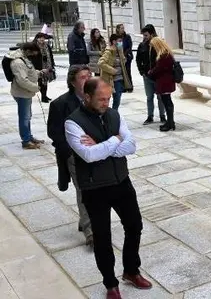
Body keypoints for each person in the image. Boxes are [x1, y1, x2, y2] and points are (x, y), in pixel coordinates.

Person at [64, 78, 152, 298]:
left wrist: (104, 146)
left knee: (134, 226)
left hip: (121, 181)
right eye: (101, 99)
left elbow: (131, 146)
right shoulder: (73, 123)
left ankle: (131, 271)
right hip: (95, 189)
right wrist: (115, 140)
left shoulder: (115, 114)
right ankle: (110, 284)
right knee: (102, 237)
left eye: (108, 98)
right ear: (87, 97)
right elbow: (89, 155)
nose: (106, 102)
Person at [48, 65, 93, 248]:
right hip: (75, 156)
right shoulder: (59, 104)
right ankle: (91, 231)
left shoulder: (96, 99)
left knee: (97, 189)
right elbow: (55, 133)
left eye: (89, 75)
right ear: (73, 82)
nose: (88, 79)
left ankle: (85, 220)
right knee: (84, 190)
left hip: (96, 153)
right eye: (83, 77)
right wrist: (70, 152)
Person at [6, 42, 46, 149]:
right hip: (22, 93)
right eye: (33, 53)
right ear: (28, 51)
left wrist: (39, 72)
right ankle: (26, 141)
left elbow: (28, 71)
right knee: (24, 117)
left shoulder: (23, 57)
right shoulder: (18, 62)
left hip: (26, 93)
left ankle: (29, 136)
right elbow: (22, 81)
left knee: (27, 116)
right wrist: (36, 88)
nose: (33, 55)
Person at [136, 25, 166, 125]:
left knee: (160, 97)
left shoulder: (158, 46)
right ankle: (150, 116)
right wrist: (142, 71)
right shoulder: (142, 45)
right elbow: (138, 59)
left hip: (157, 76)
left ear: (152, 34)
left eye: (146, 35)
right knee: (149, 97)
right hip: (147, 76)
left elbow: (162, 60)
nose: (144, 37)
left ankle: (162, 116)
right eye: (143, 35)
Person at [146, 37, 176, 132]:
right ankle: (170, 122)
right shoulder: (166, 53)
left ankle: (170, 123)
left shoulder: (164, 55)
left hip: (165, 82)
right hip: (165, 81)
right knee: (167, 102)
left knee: (167, 102)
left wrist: (150, 72)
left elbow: (159, 68)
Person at [98, 34, 132, 110]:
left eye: (121, 41)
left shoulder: (119, 50)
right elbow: (101, 63)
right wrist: (113, 71)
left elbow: (123, 61)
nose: (121, 43)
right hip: (113, 80)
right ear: (114, 41)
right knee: (115, 99)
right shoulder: (109, 52)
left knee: (118, 99)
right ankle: (112, 114)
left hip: (120, 78)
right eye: (119, 41)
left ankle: (113, 114)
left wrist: (122, 55)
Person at [31, 32, 55, 102]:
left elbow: (51, 55)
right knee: (41, 82)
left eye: (43, 38)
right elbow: (33, 58)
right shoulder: (34, 46)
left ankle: (45, 95)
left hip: (47, 65)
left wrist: (52, 64)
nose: (42, 39)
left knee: (46, 81)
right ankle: (43, 96)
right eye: (40, 38)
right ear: (37, 38)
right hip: (39, 67)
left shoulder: (47, 45)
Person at [115, 24, 134, 93]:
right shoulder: (115, 37)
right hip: (119, 57)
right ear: (118, 29)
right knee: (122, 72)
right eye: (121, 28)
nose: (123, 29)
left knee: (128, 71)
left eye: (123, 28)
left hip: (127, 56)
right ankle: (123, 87)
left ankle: (129, 86)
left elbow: (130, 46)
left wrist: (124, 54)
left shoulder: (127, 37)